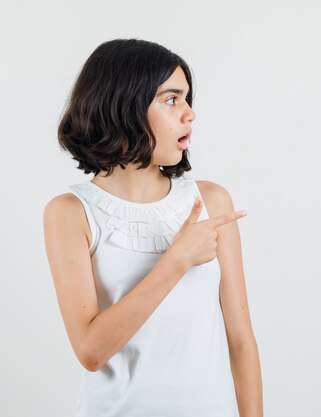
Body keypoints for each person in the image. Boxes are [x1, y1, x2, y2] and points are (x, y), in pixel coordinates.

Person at [43, 38, 263, 417]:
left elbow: (241, 342)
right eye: (171, 99)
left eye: (188, 99)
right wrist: (176, 260)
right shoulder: (70, 212)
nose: (189, 114)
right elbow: (91, 351)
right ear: (124, 106)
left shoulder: (211, 200)